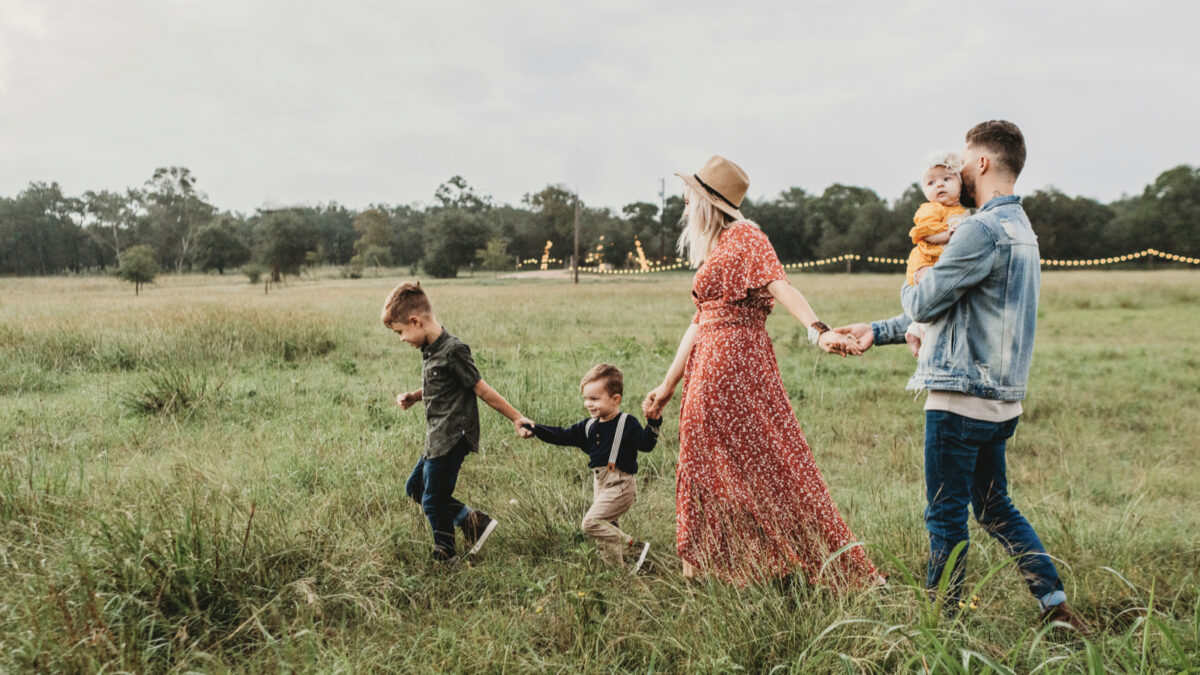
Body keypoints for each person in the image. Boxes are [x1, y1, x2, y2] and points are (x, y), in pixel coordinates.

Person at [834, 121, 1090, 632]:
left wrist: (916, 280)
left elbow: (927, 300)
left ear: (984, 164)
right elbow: (957, 308)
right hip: (1002, 403)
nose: (958, 171)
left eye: (965, 161)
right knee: (996, 509)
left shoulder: (978, 229)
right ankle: (1055, 606)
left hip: (959, 399)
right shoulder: (1022, 230)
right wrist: (879, 330)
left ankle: (940, 627)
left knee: (944, 517)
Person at [642, 155, 882, 587]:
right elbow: (698, 323)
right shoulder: (716, 247)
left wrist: (818, 330)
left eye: (689, 195)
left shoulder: (746, 236)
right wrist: (666, 386)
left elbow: (780, 284)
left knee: (770, 462)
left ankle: (800, 563)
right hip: (708, 365)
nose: (683, 202)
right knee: (703, 464)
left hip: (735, 364)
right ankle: (710, 568)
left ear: (707, 201)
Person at [383, 281, 534, 564]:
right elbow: (439, 385)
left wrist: (517, 418)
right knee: (415, 488)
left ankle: (446, 555)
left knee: (432, 500)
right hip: (437, 437)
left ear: (415, 321)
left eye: (400, 332)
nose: (401, 338)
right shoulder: (430, 350)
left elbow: (481, 389)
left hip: (453, 437)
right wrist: (415, 396)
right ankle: (473, 522)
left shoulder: (454, 350)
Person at [524, 363, 660, 572]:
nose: (589, 404)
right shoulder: (588, 426)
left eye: (595, 399)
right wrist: (535, 429)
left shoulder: (627, 423)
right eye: (586, 398)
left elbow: (646, 445)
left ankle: (634, 547)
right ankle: (618, 574)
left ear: (616, 399)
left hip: (621, 485)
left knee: (591, 523)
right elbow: (562, 435)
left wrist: (653, 422)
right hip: (601, 484)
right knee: (606, 533)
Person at [904, 151, 970, 357]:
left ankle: (915, 329)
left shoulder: (962, 211)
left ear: (960, 185)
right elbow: (924, 233)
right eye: (931, 183)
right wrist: (946, 235)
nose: (939, 185)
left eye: (947, 179)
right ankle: (922, 334)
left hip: (940, 263)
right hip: (925, 261)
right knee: (931, 290)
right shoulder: (931, 209)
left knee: (942, 296)